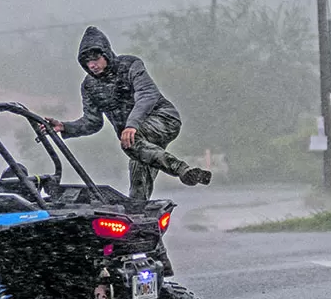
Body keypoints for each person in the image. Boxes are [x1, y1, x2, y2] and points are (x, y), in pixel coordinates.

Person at [47, 25, 211, 201]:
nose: (92, 64)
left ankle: (182, 170)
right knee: (138, 181)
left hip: (164, 119)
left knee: (130, 142)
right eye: (87, 61)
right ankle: (139, 217)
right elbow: (92, 122)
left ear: (106, 54)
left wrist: (132, 125)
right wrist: (65, 127)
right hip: (136, 141)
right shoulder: (89, 86)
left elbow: (148, 94)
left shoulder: (130, 65)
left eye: (96, 58)